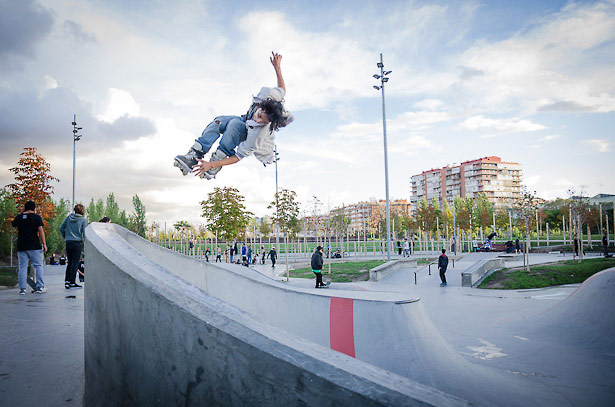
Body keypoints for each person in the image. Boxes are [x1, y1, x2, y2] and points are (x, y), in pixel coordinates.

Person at [175, 52, 293, 180]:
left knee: (234, 125)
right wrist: (277, 68)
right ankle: (194, 154)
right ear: (262, 105)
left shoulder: (258, 135)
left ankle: (217, 160)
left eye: (261, 121)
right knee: (220, 121)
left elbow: (238, 157)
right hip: (244, 119)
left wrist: (212, 164)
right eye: (259, 115)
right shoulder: (269, 95)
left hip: (251, 135)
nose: (257, 119)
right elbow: (282, 89)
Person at [11, 200, 47, 295]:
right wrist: (44, 244)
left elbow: (13, 224)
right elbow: (41, 231)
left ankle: (22, 289)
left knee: (22, 267)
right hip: (34, 245)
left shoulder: (19, 217)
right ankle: (40, 287)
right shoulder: (36, 217)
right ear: (33, 208)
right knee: (38, 265)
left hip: (22, 246)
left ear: (25, 208)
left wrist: (21, 214)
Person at [60, 204, 88, 289]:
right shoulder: (83, 220)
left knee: (70, 262)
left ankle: (67, 281)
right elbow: (85, 232)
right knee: (75, 263)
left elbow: (61, 228)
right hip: (77, 243)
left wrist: (66, 236)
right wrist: (84, 242)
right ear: (82, 210)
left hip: (68, 242)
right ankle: (72, 282)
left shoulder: (68, 218)